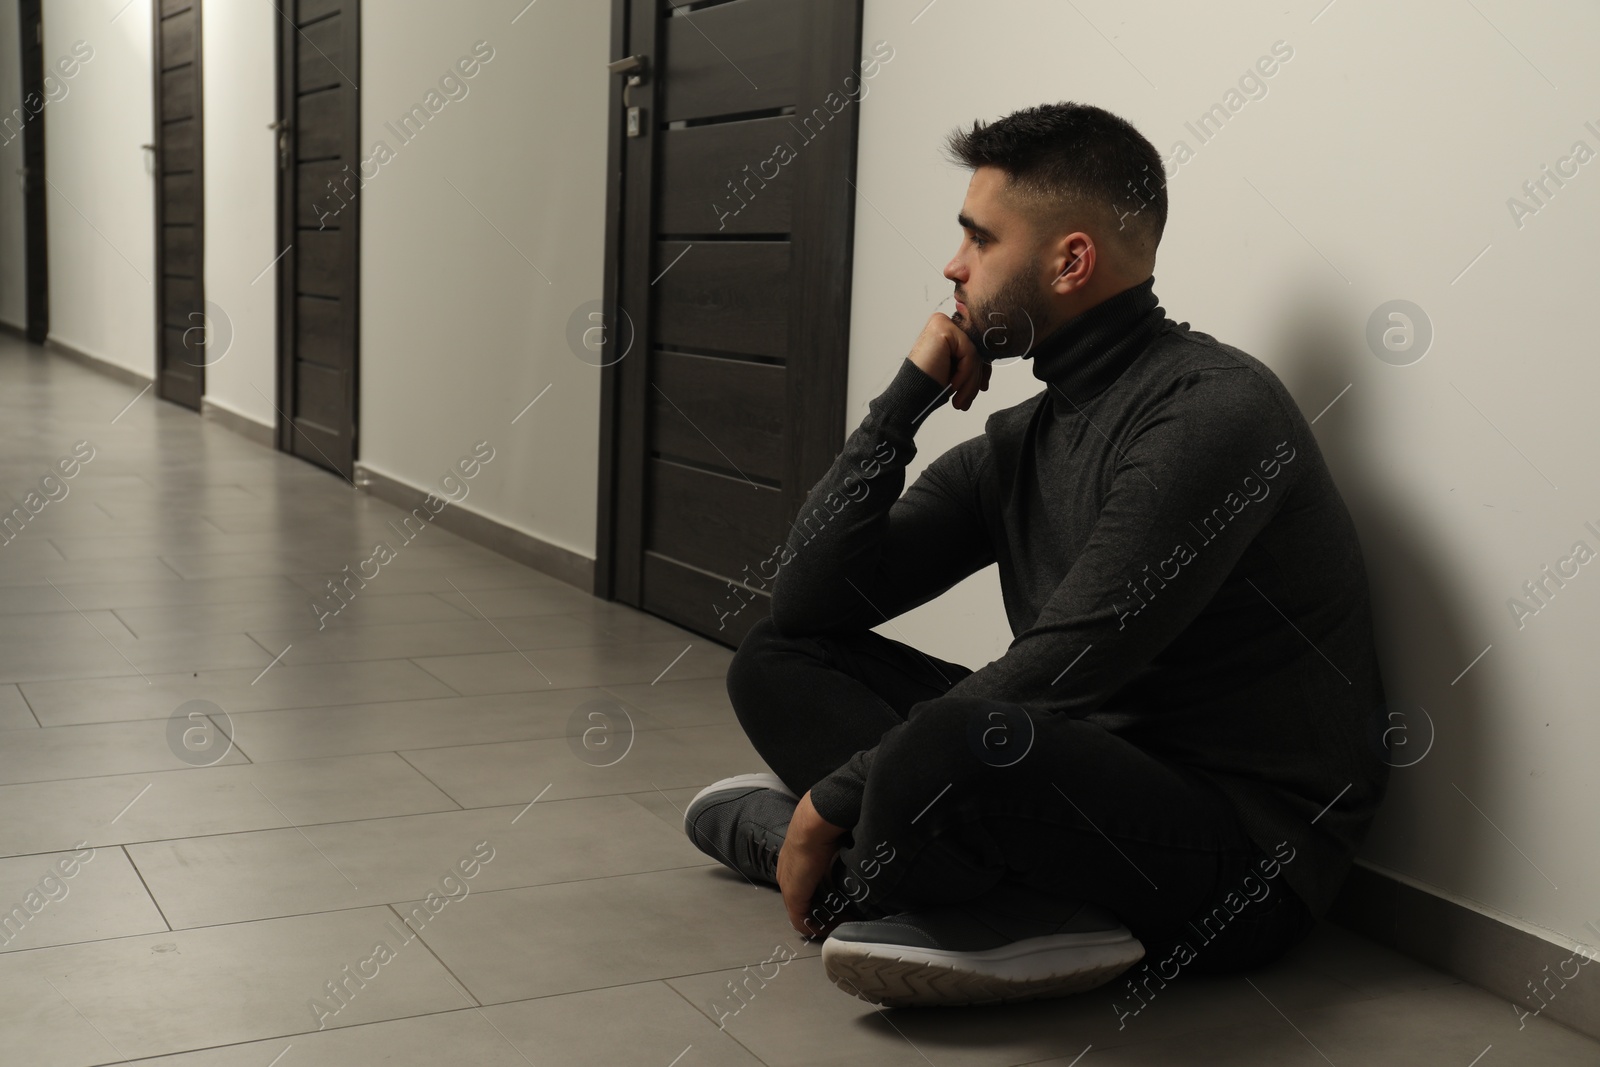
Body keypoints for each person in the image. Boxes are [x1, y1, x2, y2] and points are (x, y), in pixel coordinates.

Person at [683, 101, 1389, 1009]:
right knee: (773, 659)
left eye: (979, 238)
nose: (953, 264)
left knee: (951, 741)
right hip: (1081, 774)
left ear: (1071, 260)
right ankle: (972, 895)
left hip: (1242, 860)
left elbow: (1070, 662)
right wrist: (903, 402)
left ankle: (825, 855)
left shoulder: (1213, 413)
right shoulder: (1027, 437)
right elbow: (812, 599)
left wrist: (828, 799)